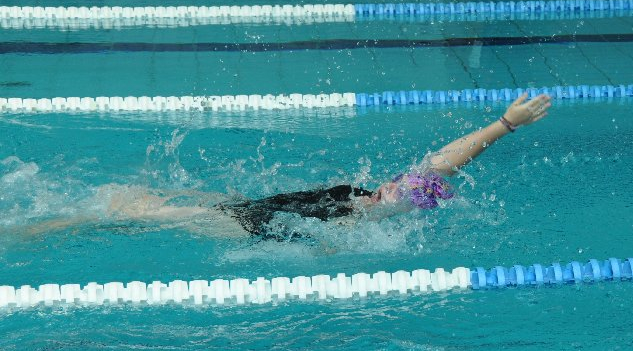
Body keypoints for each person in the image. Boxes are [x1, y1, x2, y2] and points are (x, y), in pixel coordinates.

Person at [18, 93, 552, 240]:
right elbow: (439, 164)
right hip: (268, 216)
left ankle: (69, 215)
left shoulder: (369, 207)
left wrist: (504, 125)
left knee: (162, 211)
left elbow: (437, 166)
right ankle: (61, 220)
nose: (398, 188)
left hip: (272, 215)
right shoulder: (373, 207)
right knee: (152, 213)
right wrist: (504, 125)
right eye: (403, 187)